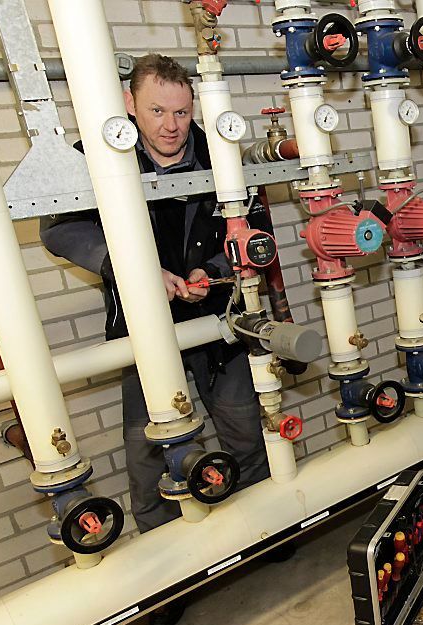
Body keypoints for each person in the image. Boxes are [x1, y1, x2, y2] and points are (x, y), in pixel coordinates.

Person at [40, 55, 275, 623]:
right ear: (129, 104)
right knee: (150, 453)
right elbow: (58, 225)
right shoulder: (94, 154)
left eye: (180, 111)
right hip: (140, 332)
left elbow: (251, 218)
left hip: (217, 320)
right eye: (156, 111)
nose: (171, 125)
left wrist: (214, 269)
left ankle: (267, 534)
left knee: (245, 428)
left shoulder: (217, 147)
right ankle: (167, 576)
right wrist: (131, 268)